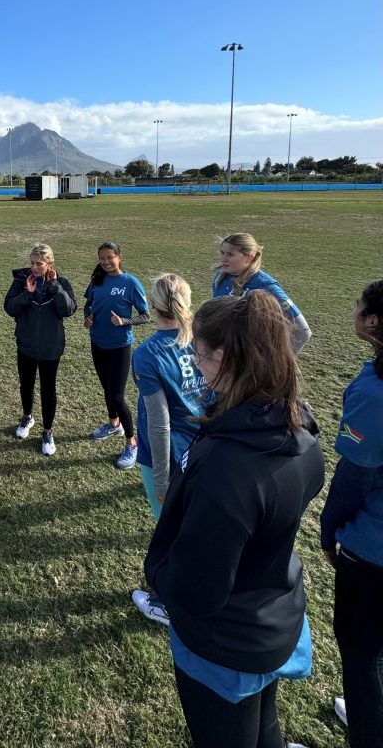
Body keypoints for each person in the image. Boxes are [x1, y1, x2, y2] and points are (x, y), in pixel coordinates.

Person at [144, 291, 325, 748]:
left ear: (223, 359)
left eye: (200, 354)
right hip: (274, 614)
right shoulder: (298, 425)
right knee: (264, 727)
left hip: (225, 642)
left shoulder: (228, 466)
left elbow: (198, 588)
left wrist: (161, 575)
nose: (195, 363)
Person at [320, 279, 383, 747]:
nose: (354, 311)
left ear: (374, 323)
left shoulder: (374, 394)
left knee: (361, 655)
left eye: (359, 307)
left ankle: (367, 725)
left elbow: (354, 477)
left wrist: (328, 527)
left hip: (373, 551)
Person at [130, 274, 206, 626]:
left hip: (171, 457)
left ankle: (169, 604)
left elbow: (159, 425)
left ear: (153, 303)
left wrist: (160, 480)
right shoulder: (205, 340)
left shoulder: (147, 353)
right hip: (207, 450)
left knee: (172, 532)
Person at [3, 243, 77, 456]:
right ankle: (27, 417)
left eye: (39, 263)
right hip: (26, 346)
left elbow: (68, 309)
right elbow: (9, 307)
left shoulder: (61, 282)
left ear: (49, 264)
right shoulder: (21, 281)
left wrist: (54, 287)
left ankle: (47, 431)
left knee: (48, 390)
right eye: (32, 263)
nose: (34, 267)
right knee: (26, 385)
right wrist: (27, 293)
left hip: (50, 348)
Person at [84, 241, 150, 470]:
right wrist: (88, 317)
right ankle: (114, 424)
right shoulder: (97, 281)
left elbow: (145, 316)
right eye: (102, 258)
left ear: (119, 257)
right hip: (97, 343)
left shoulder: (130, 283)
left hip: (119, 346)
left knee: (117, 395)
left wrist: (125, 321)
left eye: (110, 257)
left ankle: (132, 443)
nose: (105, 261)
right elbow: (87, 304)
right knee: (106, 389)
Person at [212, 232, 311, 353]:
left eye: (230, 254)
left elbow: (302, 331)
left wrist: (277, 362)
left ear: (249, 258)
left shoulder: (265, 286)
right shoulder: (220, 277)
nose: (223, 258)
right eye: (222, 252)